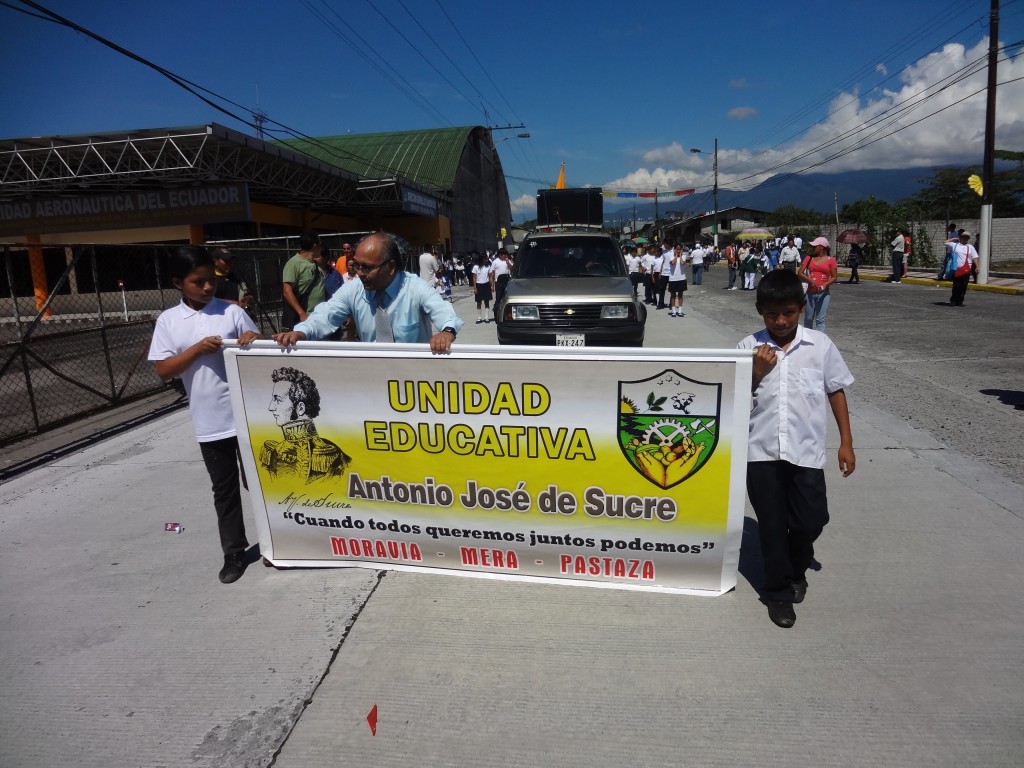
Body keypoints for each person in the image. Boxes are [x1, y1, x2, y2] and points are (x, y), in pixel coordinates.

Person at [737, 269, 855, 628]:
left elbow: (835, 390)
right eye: (772, 314)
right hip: (760, 453)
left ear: (802, 308)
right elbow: (731, 397)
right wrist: (754, 371)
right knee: (771, 527)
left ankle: (798, 563)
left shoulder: (820, 346)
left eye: (788, 312)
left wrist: (846, 442)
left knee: (810, 520)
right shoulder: (746, 348)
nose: (781, 321)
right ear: (760, 311)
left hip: (806, 452)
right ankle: (778, 593)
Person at [147, 246, 261, 584]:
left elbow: (258, 348)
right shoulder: (169, 321)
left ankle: (278, 541)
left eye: (210, 280)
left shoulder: (231, 312)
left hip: (248, 416)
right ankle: (234, 553)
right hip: (211, 422)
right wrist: (196, 349)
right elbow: (165, 369)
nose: (208, 287)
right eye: (198, 282)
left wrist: (252, 338)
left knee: (260, 481)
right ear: (178, 283)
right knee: (224, 489)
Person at [272, 232, 462, 353]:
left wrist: (446, 332)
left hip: (414, 381)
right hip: (372, 379)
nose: (360, 273)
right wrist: (300, 332)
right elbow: (325, 315)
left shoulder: (415, 288)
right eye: (357, 266)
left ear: (391, 266)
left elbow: (443, 312)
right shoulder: (353, 289)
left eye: (367, 267)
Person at [261, 366, 352, 484]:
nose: (270, 407)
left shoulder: (332, 456)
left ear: (300, 408)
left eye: (278, 400)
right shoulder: (274, 450)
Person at [281, 231, 326, 330]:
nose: (321, 248)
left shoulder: (316, 264)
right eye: (320, 244)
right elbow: (287, 291)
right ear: (315, 245)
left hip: (320, 317)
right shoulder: (293, 263)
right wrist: (302, 313)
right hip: (306, 319)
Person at [797, 236, 838, 333]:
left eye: (815, 246)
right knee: (808, 318)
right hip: (810, 294)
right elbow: (800, 273)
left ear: (822, 247)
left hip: (824, 294)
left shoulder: (831, 260)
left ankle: (820, 341)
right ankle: (807, 339)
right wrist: (810, 280)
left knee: (820, 320)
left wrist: (825, 284)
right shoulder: (809, 258)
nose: (813, 248)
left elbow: (834, 277)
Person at [947, 231, 978, 307]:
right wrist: (954, 238)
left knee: (964, 286)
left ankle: (960, 300)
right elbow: (945, 242)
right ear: (960, 237)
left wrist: (977, 266)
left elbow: (975, 257)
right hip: (956, 269)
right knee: (956, 285)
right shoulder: (955, 245)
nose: (965, 239)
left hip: (966, 269)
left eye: (966, 237)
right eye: (963, 237)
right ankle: (953, 300)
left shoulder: (970, 247)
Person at [471, 251, 494, 324]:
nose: (486, 260)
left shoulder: (488, 266)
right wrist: (475, 288)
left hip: (486, 284)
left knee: (486, 301)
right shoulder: (476, 267)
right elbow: (474, 278)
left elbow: (490, 277)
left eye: (487, 259)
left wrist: (492, 286)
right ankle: (479, 317)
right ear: (481, 259)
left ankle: (487, 317)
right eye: (485, 259)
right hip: (479, 285)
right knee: (479, 302)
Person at [667, 243, 687, 317]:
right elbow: (673, 263)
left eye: (679, 249)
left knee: (680, 295)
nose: (678, 251)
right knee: (673, 295)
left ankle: (680, 311)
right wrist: (675, 255)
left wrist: (680, 255)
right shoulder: (670, 255)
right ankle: (673, 311)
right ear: (674, 249)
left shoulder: (684, 256)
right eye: (677, 249)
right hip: (673, 278)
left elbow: (682, 263)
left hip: (681, 278)